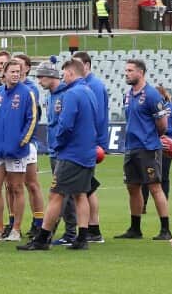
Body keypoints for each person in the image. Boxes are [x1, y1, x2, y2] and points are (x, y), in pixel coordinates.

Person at [18, 59, 96, 251]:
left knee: (55, 194)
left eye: (64, 74)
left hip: (71, 153)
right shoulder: (90, 92)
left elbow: (66, 125)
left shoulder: (71, 94)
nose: (63, 77)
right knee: (80, 194)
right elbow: (100, 120)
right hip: (87, 152)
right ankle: (82, 238)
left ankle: (42, 239)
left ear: (69, 73)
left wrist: (58, 144)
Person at [115, 58, 172, 241]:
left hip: (148, 148)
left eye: (130, 70)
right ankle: (135, 228)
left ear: (140, 73)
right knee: (132, 187)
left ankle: (165, 229)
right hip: (131, 147)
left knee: (155, 187)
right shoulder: (128, 95)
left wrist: (150, 136)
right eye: (126, 71)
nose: (127, 74)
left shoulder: (152, 95)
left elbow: (162, 124)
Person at [0, 57, 37, 242]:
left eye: (18, 71)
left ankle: (16, 229)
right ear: (4, 73)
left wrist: (22, 141)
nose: (16, 74)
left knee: (16, 188)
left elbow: (32, 119)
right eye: (13, 71)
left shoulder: (27, 92)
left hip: (17, 149)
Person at [72, 51, 108, 242]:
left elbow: (98, 117)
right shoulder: (86, 85)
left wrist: (97, 143)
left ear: (86, 66)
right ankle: (92, 228)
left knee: (88, 188)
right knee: (87, 187)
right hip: (87, 143)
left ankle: (93, 228)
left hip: (88, 144)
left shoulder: (93, 86)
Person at [12, 53, 47, 240]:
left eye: (19, 65)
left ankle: (39, 222)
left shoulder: (30, 89)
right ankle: (14, 222)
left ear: (26, 68)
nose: (15, 69)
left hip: (27, 142)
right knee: (14, 185)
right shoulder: (9, 88)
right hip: (12, 144)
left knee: (31, 183)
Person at [145, 85, 172, 213]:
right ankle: (143, 206)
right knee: (146, 176)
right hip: (151, 145)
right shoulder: (150, 108)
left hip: (166, 147)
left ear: (163, 95)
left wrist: (166, 131)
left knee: (164, 176)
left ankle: (164, 202)